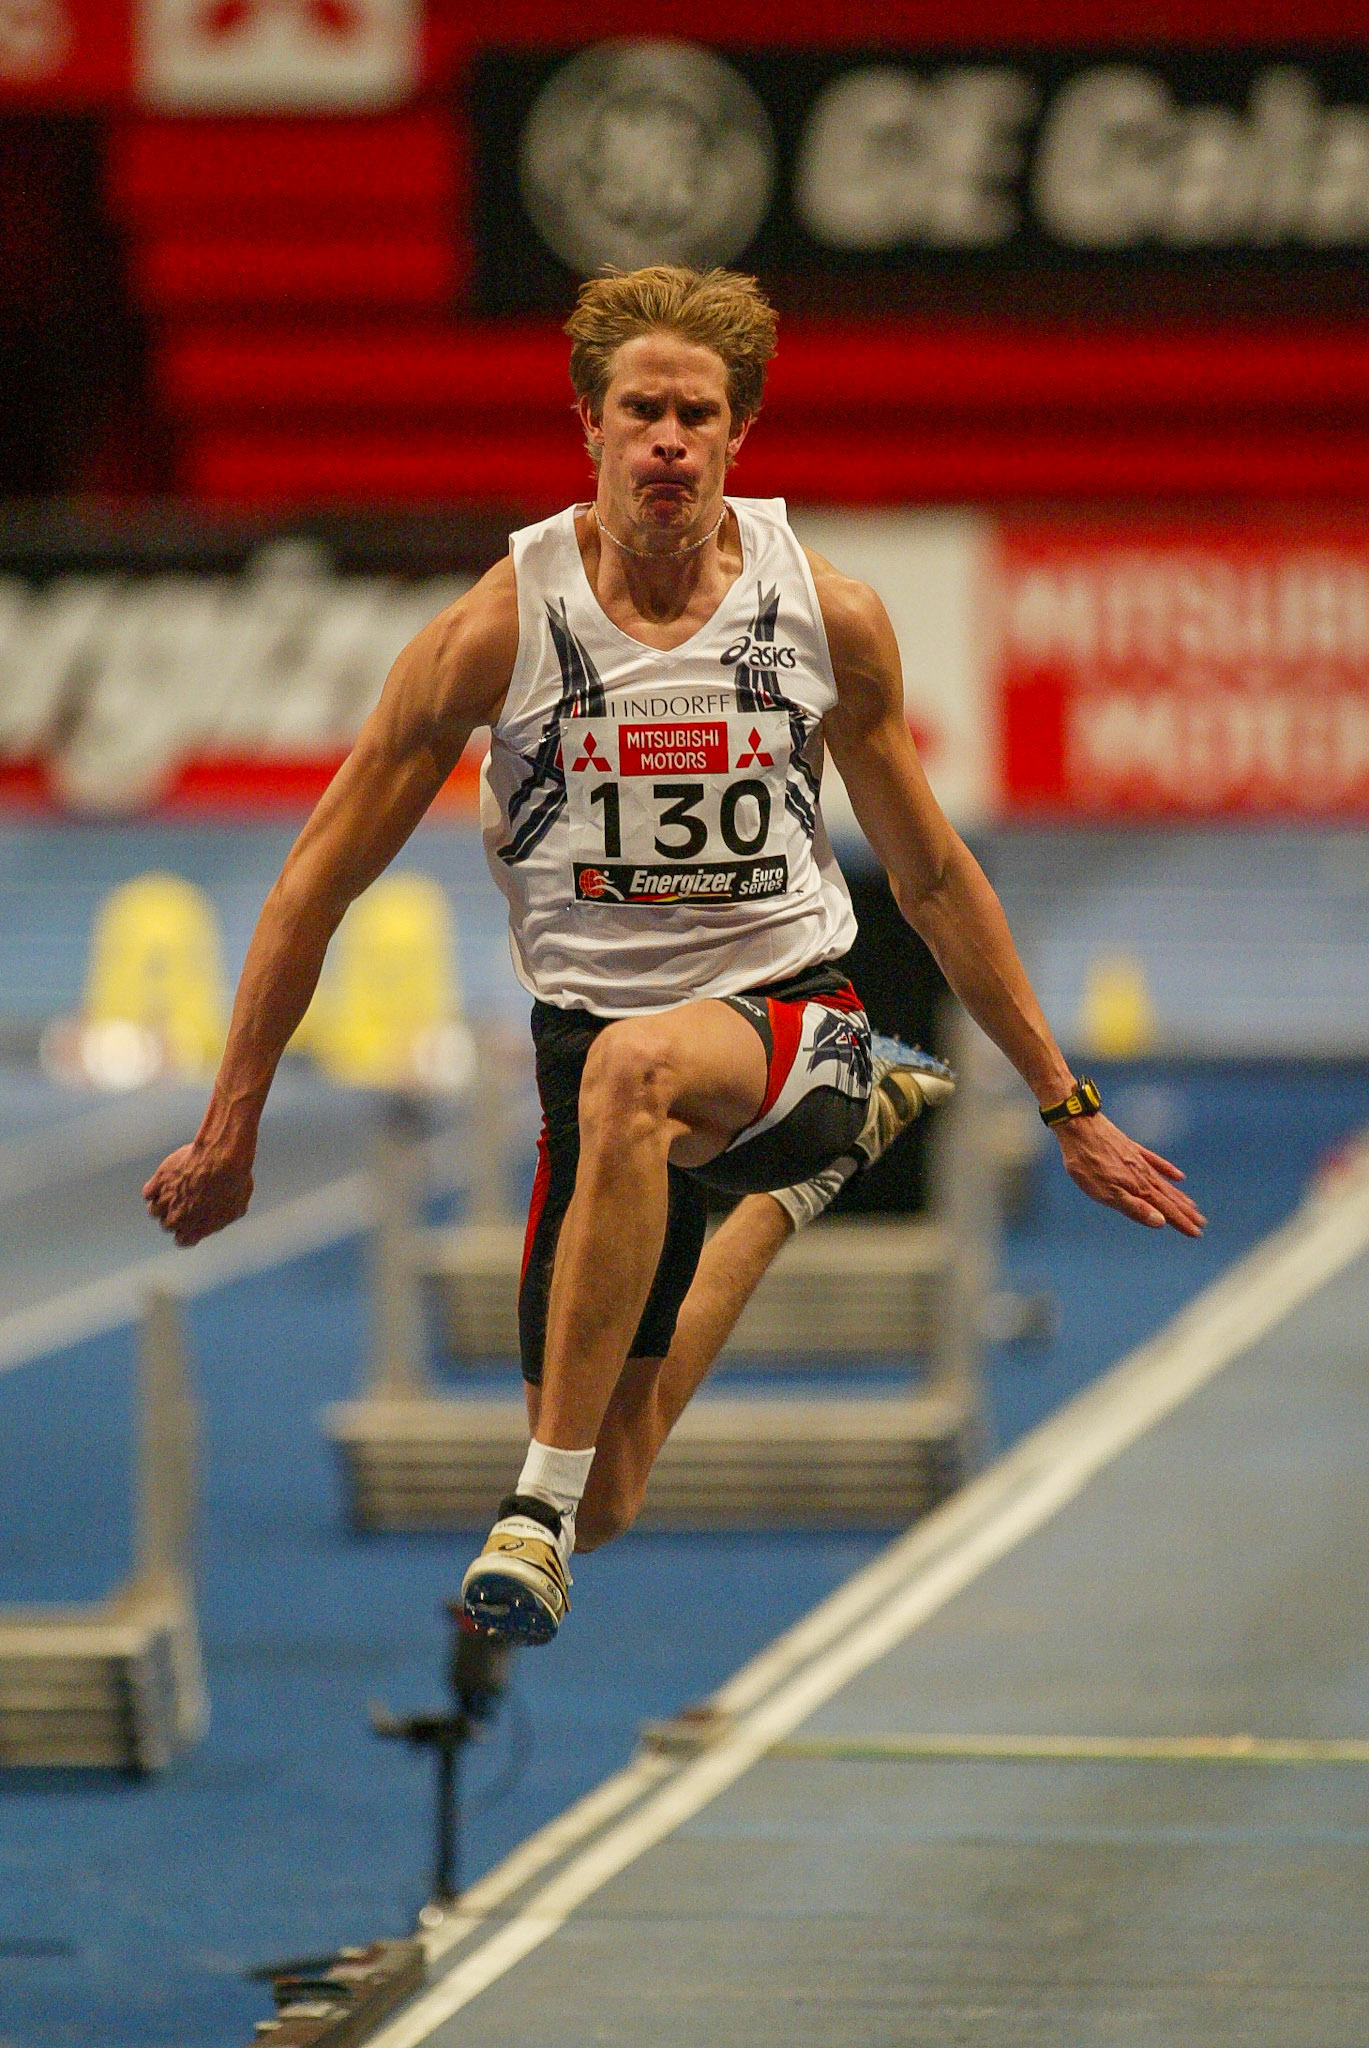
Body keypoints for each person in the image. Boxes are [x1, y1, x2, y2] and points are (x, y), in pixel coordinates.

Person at [145, 264, 1205, 1649]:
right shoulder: (498, 628)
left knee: (633, 1104)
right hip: (586, 1049)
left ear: (736, 436)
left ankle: (528, 1509)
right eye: (640, 410)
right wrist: (232, 1131)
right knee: (615, 1489)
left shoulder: (823, 614)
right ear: (586, 424)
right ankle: (780, 1203)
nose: (668, 441)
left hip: (793, 1016)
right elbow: (309, 888)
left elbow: (937, 879)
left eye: (696, 415)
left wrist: (1067, 1108)